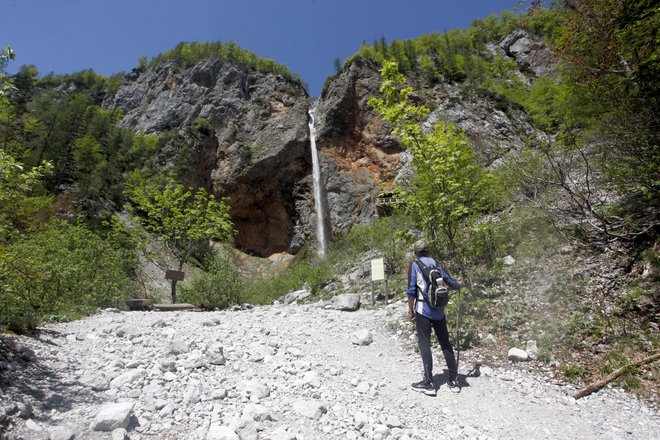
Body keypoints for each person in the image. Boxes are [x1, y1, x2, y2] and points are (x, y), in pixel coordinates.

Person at [407, 239, 460, 396]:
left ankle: (429, 383)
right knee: (445, 343)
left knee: (425, 344)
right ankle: (453, 380)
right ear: (428, 250)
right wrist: (459, 285)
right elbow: (450, 281)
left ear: (415, 252)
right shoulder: (437, 263)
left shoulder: (415, 265)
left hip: (423, 309)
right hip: (439, 310)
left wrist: (410, 311)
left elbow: (411, 290)